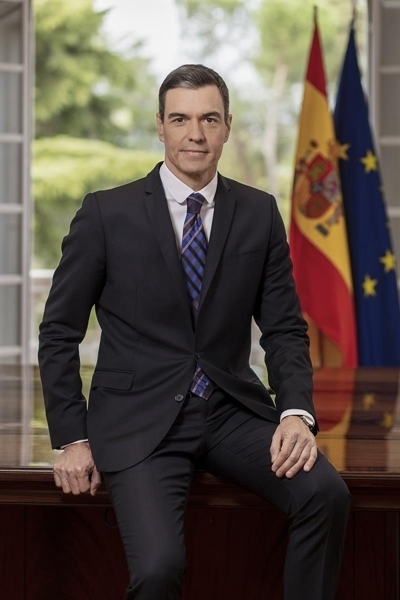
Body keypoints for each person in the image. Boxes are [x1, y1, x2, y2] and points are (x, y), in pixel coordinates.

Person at [38, 64, 350, 600]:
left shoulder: (258, 212)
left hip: (230, 413)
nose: (195, 134)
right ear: (160, 126)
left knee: (326, 493)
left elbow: (283, 328)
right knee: (159, 568)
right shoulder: (106, 213)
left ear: (227, 126)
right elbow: (59, 331)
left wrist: (296, 413)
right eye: (180, 119)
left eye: (209, 119)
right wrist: (72, 438)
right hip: (138, 420)